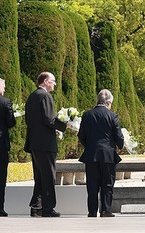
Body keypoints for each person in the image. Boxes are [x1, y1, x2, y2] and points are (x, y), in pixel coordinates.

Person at [76, 89, 124, 217]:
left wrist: (90, 146)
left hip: (91, 154)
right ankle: (106, 210)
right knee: (107, 183)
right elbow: (118, 135)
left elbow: (81, 135)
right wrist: (120, 146)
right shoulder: (112, 115)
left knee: (92, 184)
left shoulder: (87, 115)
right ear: (108, 102)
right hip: (108, 154)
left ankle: (92, 211)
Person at [26, 72, 67, 217]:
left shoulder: (32, 96)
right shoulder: (45, 96)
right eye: (52, 81)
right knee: (49, 176)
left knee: (39, 176)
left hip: (35, 143)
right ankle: (48, 208)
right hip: (45, 144)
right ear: (44, 82)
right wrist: (64, 125)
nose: (54, 84)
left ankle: (36, 206)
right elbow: (49, 119)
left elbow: (34, 120)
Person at [0, 77, 15, 217]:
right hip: (1, 144)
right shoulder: (6, 102)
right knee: (1, 177)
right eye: (3, 87)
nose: (4, 89)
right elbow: (11, 123)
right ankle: (0, 208)